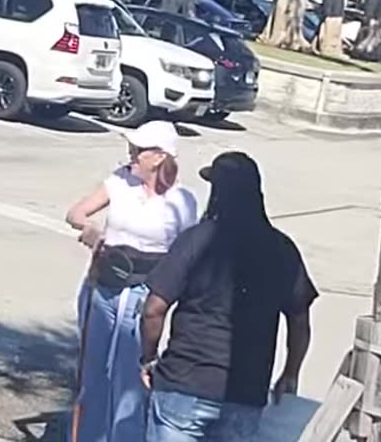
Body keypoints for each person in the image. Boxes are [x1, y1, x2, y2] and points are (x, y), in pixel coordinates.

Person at [140, 151, 318, 442]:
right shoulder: (281, 248)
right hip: (246, 391)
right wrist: (290, 373)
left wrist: (147, 358)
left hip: (184, 383)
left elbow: (154, 309)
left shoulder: (197, 240)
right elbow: (299, 319)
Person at [65, 120, 198, 442]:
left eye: (138, 150)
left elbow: (186, 254)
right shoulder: (120, 181)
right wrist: (93, 229)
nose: (131, 155)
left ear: (159, 157)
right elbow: (75, 213)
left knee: (130, 379)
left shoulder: (183, 201)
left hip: (143, 291)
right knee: (93, 373)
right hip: (103, 284)